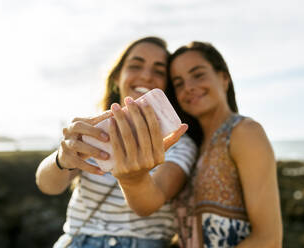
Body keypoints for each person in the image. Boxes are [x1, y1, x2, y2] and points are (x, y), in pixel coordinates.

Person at [35, 36, 197, 248]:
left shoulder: (179, 142)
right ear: (117, 77)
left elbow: (150, 204)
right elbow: (47, 185)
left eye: (159, 70)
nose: (147, 75)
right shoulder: (92, 129)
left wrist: (133, 179)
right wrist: (61, 159)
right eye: (136, 65)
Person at [167, 41, 283, 247]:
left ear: (224, 78)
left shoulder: (245, 132)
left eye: (198, 74)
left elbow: (269, 240)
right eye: (179, 83)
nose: (189, 87)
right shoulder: (192, 147)